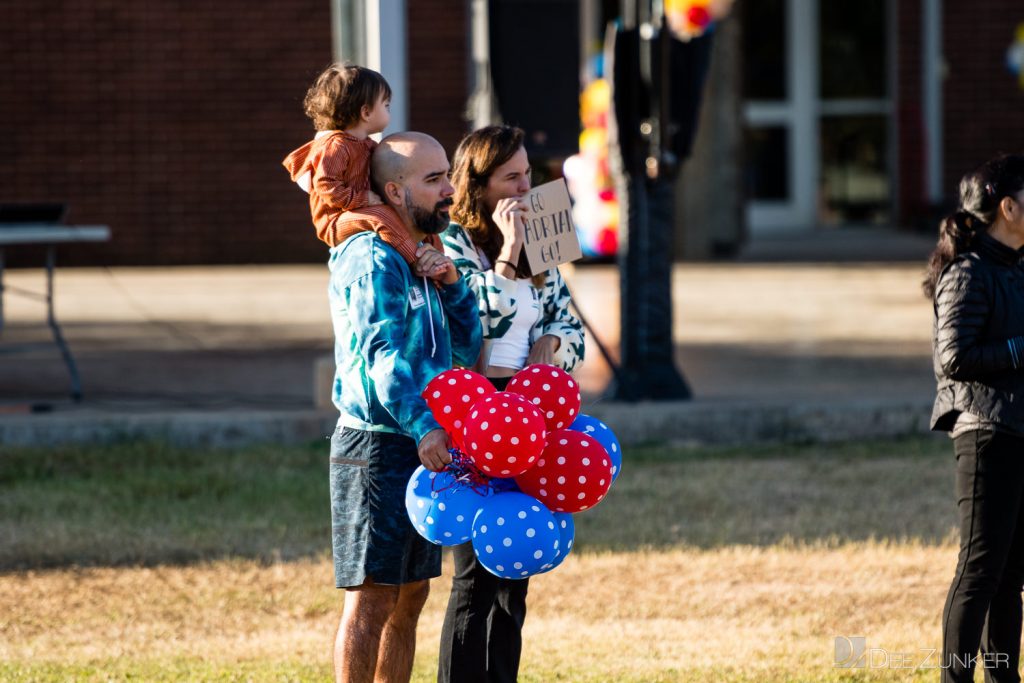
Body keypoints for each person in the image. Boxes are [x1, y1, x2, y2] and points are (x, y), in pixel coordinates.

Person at [328, 131, 483, 683]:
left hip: (425, 440)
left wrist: (455, 285)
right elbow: (382, 356)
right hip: (376, 443)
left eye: (448, 175)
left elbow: (464, 351)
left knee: (411, 597)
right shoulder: (371, 258)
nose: (450, 190)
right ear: (395, 191)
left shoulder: (424, 253)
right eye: (435, 179)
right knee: (372, 599)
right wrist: (424, 425)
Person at [437, 125, 585, 683]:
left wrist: (553, 347)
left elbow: (570, 325)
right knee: (475, 575)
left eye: (529, 174)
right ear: (480, 185)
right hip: (479, 409)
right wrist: (507, 256)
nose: (526, 187)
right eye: (511, 178)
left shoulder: (546, 229)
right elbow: (475, 324)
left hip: (531, 409)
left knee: (516, 571)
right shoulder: (450, 242)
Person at [926, 153, 1024, 683]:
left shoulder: (1017, 269)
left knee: (1012, 576)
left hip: (1020, 430)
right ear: (1007, 207)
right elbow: (953, 357)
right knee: (980, 572)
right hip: (987, 434)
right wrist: (1020, 350)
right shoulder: (968, 273)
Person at [283, 63, 430, 265]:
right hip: (335, 221)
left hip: (359, 212)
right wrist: (363, 199)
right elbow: (326, 186)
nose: (389, 111)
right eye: (386, 105)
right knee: (381, 215)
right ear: (366, 112)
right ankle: (417, 261)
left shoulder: (366, 145)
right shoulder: (335, 146)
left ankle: (436, 258)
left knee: (416, 217)